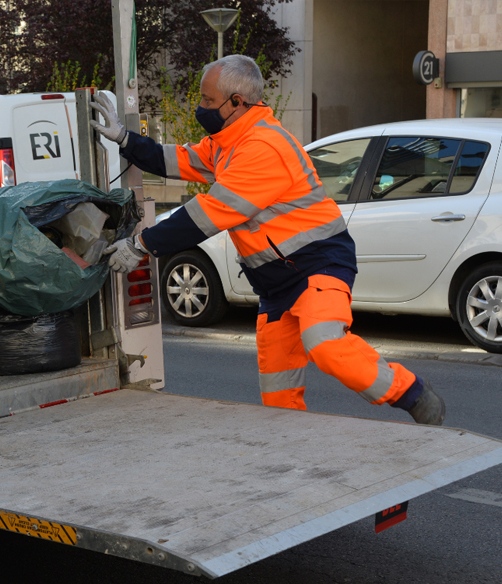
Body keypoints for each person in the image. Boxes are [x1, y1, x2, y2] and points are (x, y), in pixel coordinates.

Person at [92, 54, 445, 425]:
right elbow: (180, 160)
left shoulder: (262, 147)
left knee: (325, 345)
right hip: (276, 281)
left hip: (317, 266)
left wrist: (141, 245)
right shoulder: (228, 141)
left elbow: (209, 214)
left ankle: (414, 395)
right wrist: (125, 138)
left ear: (236, 103)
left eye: (207, 101)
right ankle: (293, 449)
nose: (201, 107)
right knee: (277, 393)